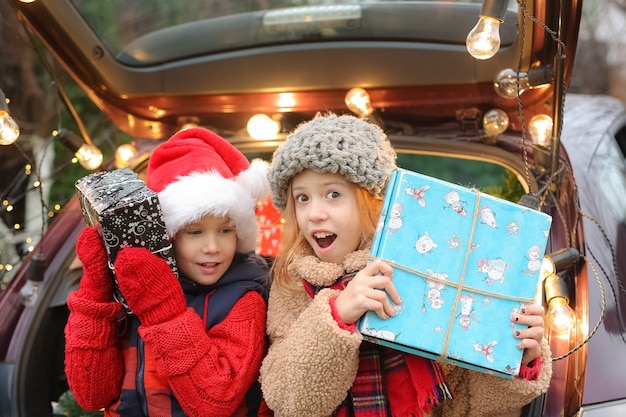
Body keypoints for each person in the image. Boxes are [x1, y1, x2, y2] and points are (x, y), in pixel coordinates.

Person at [259, 113, 552, 417]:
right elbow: (289, 403)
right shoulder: (292, 283)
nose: (314, 213)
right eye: (302, 198)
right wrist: (337, 315)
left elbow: (473, 402)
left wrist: (518, 359)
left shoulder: (428, 267)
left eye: (333, 194)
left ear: (373, 200)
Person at [65, 127, 273, 417]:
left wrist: (163, 310)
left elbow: (215, 402)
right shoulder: (131, 292)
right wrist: (95, 297)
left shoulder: (242, 298)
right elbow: (92, 394)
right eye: (195, 231)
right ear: (168, 236)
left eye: (225, 230)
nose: (213, 247)